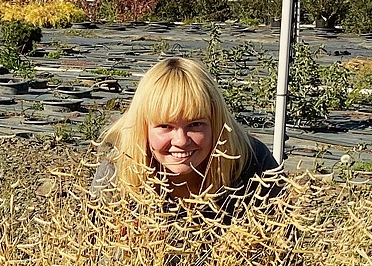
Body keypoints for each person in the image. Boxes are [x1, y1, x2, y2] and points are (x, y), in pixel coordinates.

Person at [92, 57, 283, 211]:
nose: (181, 141)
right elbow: (93, 253)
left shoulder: (253, 163)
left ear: (215, 123)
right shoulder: (115, 173)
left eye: (195, 124)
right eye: (165, 126)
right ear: (143, 127)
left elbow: (284, 248)